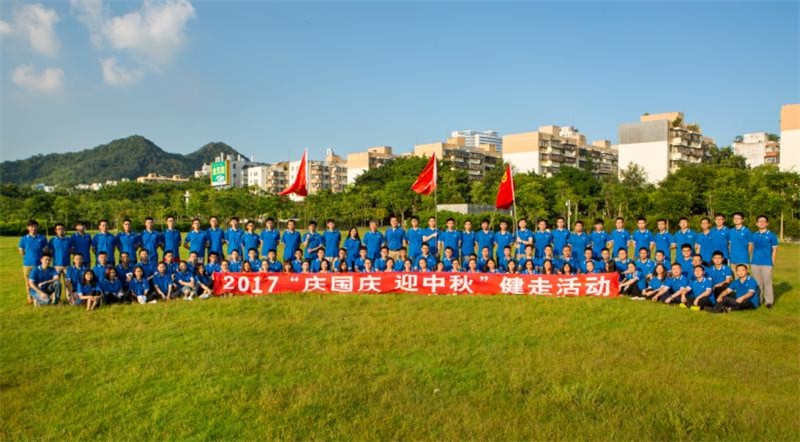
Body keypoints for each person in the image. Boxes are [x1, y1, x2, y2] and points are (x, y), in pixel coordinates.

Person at [750, 215, 779, 308]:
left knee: (767, 283)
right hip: (755, 263)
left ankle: (769, 302)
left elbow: (774, 250)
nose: (761, 223)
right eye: (759, 221)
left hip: (767, 263)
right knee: (757, 283)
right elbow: (751, 247)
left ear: (767, 223)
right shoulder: (754, 235)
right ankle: (758, 300)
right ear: (756, 223)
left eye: (763, 221)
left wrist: (772, 262)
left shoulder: (772, 235)